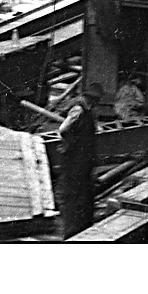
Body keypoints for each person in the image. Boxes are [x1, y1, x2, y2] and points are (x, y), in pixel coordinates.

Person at [56, 90, 98, 238]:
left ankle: (81, 225)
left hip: (83, 159)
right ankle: (72, 228)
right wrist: (72, 142)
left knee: (82, 193)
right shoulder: (78, 110)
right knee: (73, 193)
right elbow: (63, 129)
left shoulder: (87, 110)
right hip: (74, 159)